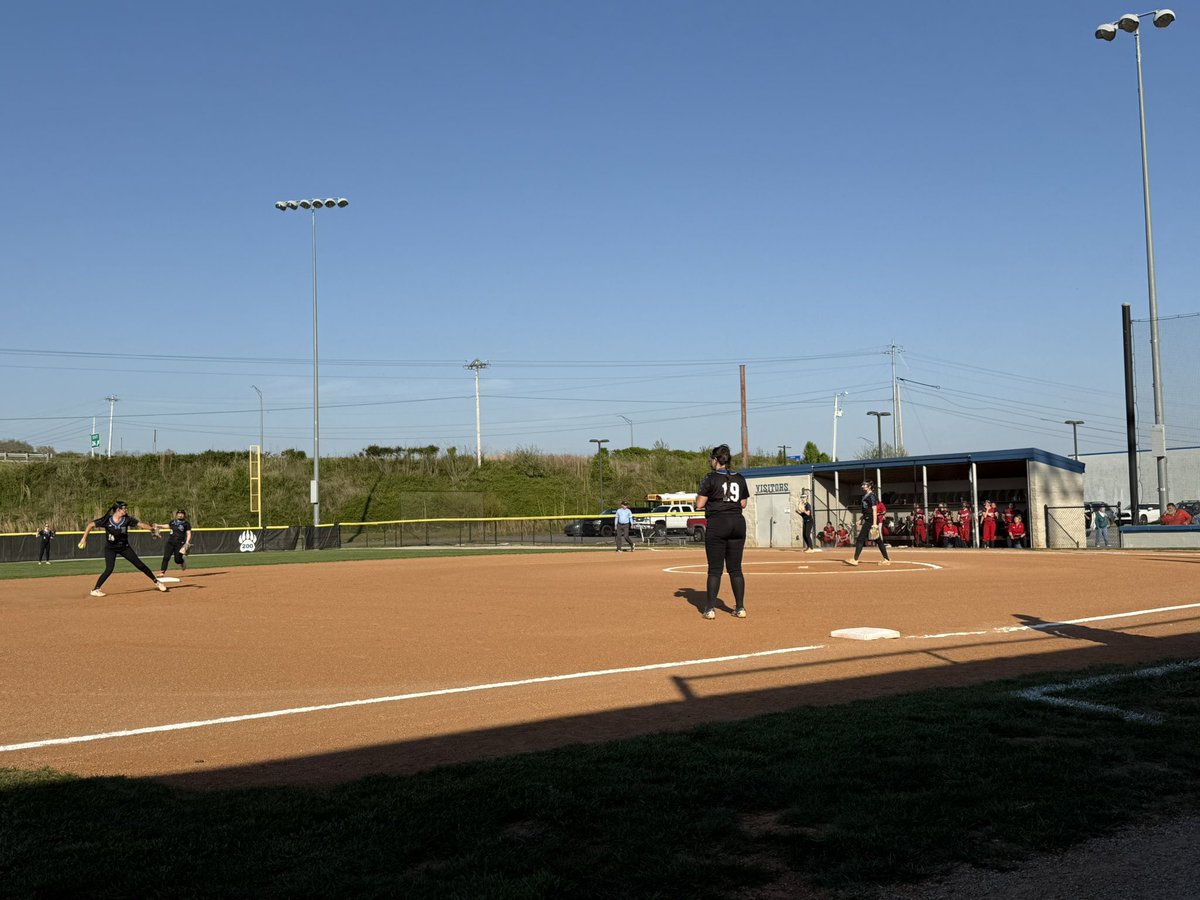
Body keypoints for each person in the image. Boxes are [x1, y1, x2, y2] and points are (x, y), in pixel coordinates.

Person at [695, 443, 749, 619]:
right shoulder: (739, 477)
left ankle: (710, 609)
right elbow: (743, 503)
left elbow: (699, 504)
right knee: (735, 569)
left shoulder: (711, 478)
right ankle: (740, 608)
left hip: (718, 523)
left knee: (715, 569)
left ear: (715, 459)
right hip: (737, 523)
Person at [77, 501, 168, 597]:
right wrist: (84, 539)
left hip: (124, 547)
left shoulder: (127, 519)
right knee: (109, 569)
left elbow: (140, 524)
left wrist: (152, 529)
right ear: (118, 510)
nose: (126, 510)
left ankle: (157, 582)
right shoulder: (107, 520)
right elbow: (90, 525)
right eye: (124, 508)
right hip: (110, 548)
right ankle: (95, 589)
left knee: (140, 565)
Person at [845, 480, 891, 566]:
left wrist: (874, 524)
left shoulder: (872, 496)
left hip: (870, 520)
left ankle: (855, 559)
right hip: (867, 519)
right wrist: (861, 519)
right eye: (863, 485)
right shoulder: (866, 496)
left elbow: (874, 510)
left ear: (869, 486)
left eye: (865, 485)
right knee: (878, 540)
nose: (863, 486)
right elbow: (866, 510)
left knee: (860, 539)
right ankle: (886, 559)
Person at [154, 508, 193, 575]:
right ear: (177, 514)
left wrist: (187, 542)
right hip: (170, 543)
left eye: (182, 514)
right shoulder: (173, 522)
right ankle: (162, 572)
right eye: (179, 514)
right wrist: (159, 525)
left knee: (177, 560)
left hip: (180, 543)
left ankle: (182, 562)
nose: (180, 515)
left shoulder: (186, 523)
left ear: (184, 515)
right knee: (166, 557)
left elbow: (189, 533)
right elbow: (168, 526)